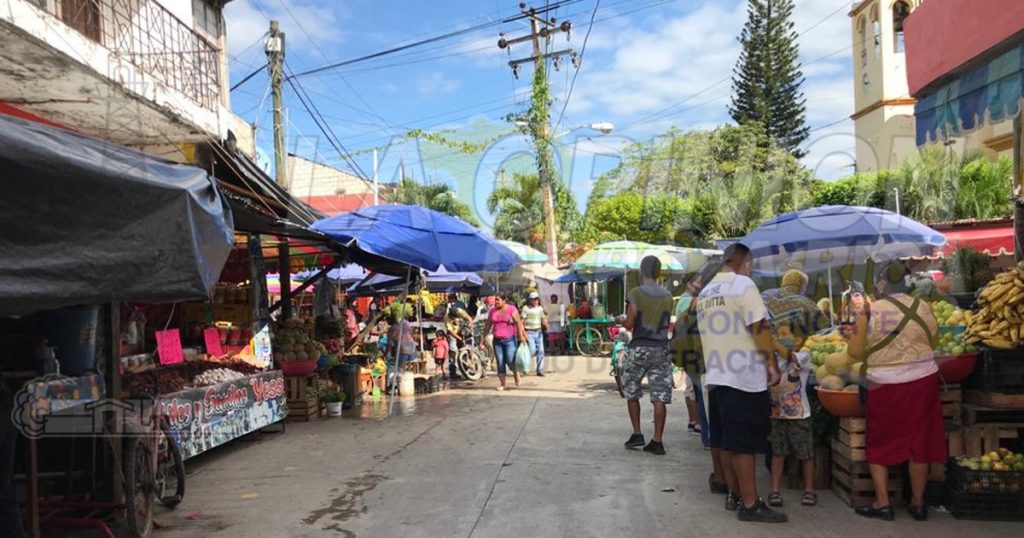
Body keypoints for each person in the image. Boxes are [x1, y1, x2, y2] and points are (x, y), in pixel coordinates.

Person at [697, 243, 787, 523]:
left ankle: (735, 494)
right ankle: (750, 503)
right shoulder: (743, 285)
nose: (751, 270)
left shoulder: (705, 292)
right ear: (745, 262)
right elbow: (759, 326)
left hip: (716, 376)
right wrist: (771, 364)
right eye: (751, 265)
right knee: (743, 445)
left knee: (727, 441)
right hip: (742, 377)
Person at [848, 262, 943, 522]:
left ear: (881, 284)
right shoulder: (923, 306)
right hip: (923, 381)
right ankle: (918, 503)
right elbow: (934, 340)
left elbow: (854, 352)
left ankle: (883, 503)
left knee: (881, 438)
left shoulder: (870, 311)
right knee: (919, 439)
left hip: (885, 383)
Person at [761, 270, 822, 508]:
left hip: (796, 410)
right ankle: (777, 490)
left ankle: (808, 489)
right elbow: (821, 329)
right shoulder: (808, 304)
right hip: (779, 409)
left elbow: (788, 355)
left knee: (796, 451)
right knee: (783, 451)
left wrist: (769, 340)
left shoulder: (765, 298)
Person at [670, 262, 723, 487]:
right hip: (705, 363)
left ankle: (710, 444)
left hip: (697, 362)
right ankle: (720, 471)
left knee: (705, 403)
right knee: (712, 410)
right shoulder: (702, 304)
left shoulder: (696, 303)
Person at [621, 256, 675, 456]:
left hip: (639, 347)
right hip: (661, 348)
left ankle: (637, 433)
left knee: (632, 391)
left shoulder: (635, 293)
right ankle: (657, 440)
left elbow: (629, 323)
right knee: (659, 396)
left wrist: (621, 319)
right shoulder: (668, 296)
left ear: (642, 271)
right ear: (658, 272)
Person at [482, 294, 527, 391]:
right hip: (497, 341)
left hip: (510, 340)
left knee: (510, 360)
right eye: (495, 300)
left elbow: (518, 322)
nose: (496, 302)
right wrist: (483, 338)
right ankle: (503, 384)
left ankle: (516, 373)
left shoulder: (511, 309)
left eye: (498, 300)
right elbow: (488, 325)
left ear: (504, 300)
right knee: (500, 362)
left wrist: (521, 335)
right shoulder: (493, 311)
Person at [444, 295, 473, 379]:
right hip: (453, 334)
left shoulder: (459, 311)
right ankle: (452, 372)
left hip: (461, 330)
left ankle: (466, 368)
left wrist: (470, 326)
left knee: (466, 347)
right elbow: (451, 331)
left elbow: (469, 318)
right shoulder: (446, 318)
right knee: (453, 350)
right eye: (454, 317)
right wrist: (459, 338)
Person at [522, 292, 548, 376]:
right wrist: (523, 332)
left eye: (537, 299)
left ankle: (540, 370)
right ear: (530, 300)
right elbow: (522, 321)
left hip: (539, 332)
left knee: (541, 351)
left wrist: (546, 325)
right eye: (533, 299)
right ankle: (525, 367)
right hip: (529, 332)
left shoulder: (540, 308)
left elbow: (543, 318)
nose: (535, 301)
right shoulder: (526, 308)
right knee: (532, 350)